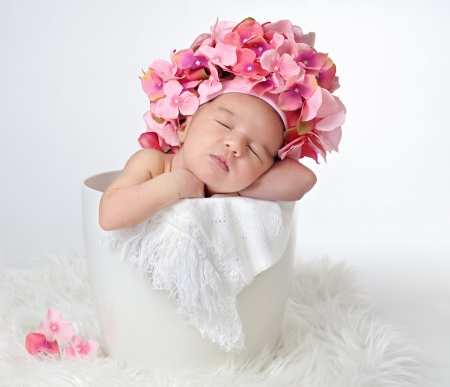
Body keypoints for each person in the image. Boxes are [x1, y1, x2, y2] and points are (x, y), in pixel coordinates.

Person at [99, 17, 345, 231]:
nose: (235, 144)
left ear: (268, 168)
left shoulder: (234, 188)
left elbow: (304, 179)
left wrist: (243, 181)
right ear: (184, 128)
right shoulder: (154, 164)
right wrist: (176, 186)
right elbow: (109, 215)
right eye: (224, 124)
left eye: (254, 150)